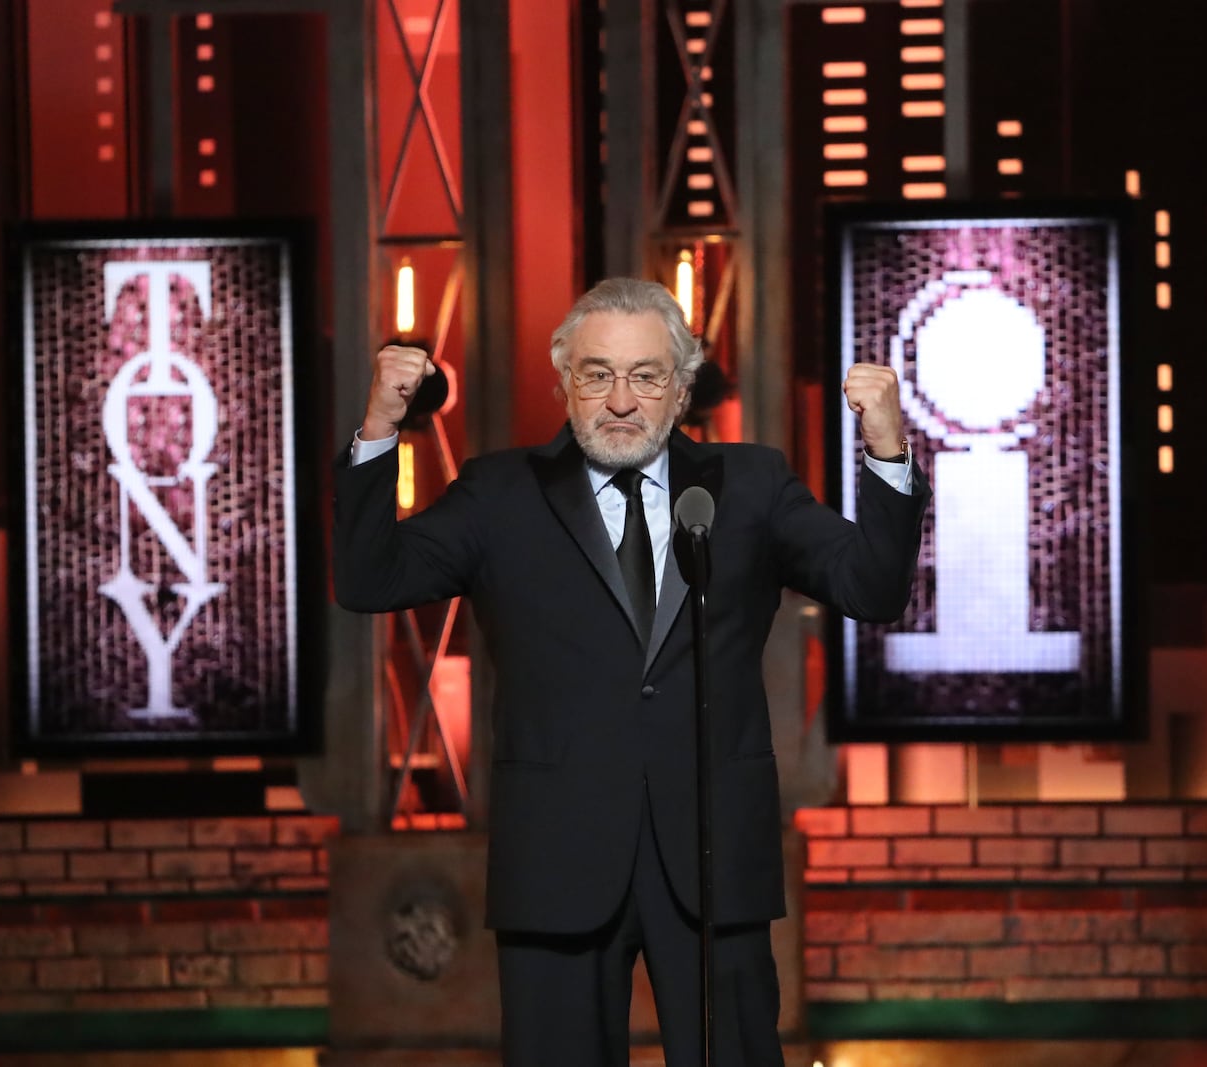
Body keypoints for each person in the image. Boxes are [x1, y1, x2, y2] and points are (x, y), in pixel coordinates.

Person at [332, 277, 929, 1066]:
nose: (621, 400)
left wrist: (886, 447)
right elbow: (372, 579)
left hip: (715, 855)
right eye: (597, 374)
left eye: (646, 376)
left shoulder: (750, 485)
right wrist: (380, 427)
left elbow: (871, 588)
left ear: (681, 390)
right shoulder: (499, 494)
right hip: (556, 855)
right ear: (564, 382)